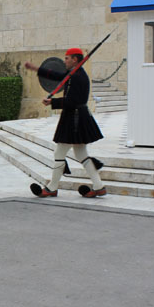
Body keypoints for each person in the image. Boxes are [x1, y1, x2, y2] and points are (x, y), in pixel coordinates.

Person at [23, 48, 105, 198]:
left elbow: (73, 101)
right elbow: (57, 76)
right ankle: (99, 186)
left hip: (74, 119)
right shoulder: (73, 74)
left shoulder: (78, 76)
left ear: (75, 59)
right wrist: (36, 68)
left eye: (67, 58)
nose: (64, 61)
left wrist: (52, 102)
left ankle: (51, 188)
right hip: (77, 117)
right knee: (81, 154)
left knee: (59, 152)